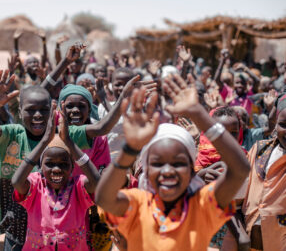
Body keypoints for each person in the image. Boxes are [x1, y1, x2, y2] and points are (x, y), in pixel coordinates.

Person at [95, 74, 250, 250]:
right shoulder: (138, 204)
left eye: (178, 163)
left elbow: (240, 170)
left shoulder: (200, 205)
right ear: (145, 169)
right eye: (157, 163)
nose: (167, 170)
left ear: (192, 169)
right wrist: (130, 149)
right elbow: (103, 198)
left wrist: (200, 114)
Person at [11, 112, 100, 250]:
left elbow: (96, 182)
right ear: (40, 166)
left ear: (72, 167)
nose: (57, 169)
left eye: (64, 164)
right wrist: (44, 141)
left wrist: (69, 142)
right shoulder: (35, 185)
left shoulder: (78, 186)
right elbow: (17, 181)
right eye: (50, 163)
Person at [242, 93, 286, 250]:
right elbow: (242, 191)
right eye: (284, 124)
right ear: (276, 125)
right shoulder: (259, 149)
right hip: (251, 240)